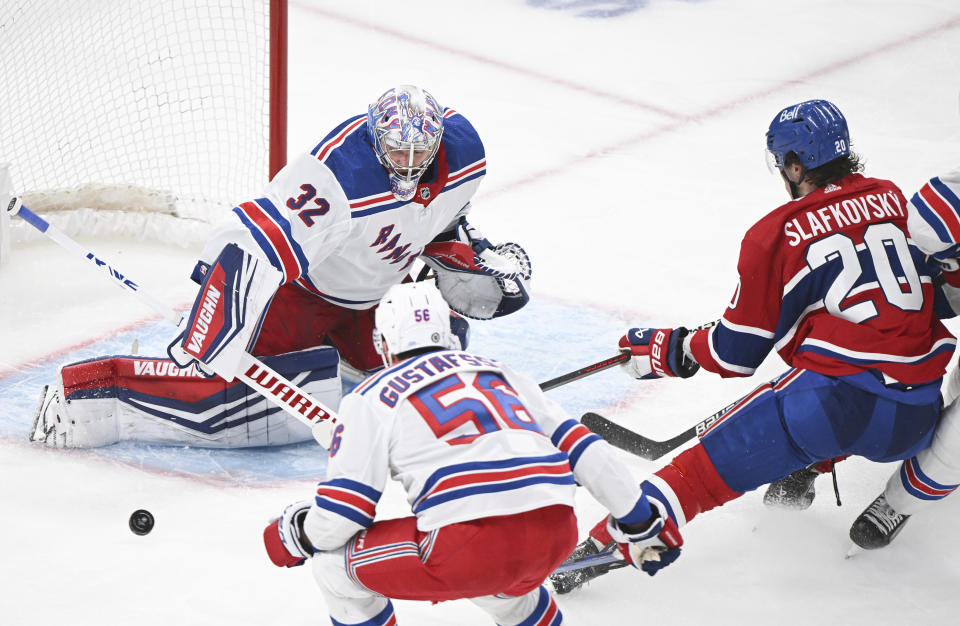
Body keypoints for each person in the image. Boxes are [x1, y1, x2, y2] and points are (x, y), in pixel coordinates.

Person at [550, 99, 957, 593]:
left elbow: (734, 353)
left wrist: (672, 349)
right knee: (846, 376)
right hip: (917, 417)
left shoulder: (776, 234)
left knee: (696, 476)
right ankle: (810, 465)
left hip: (830, 408)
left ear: (794, 164)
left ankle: (594, 553)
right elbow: (932, 298)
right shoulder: (894, 200)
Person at [29, 84, 531, 449]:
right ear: (376, 138)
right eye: (397, 149)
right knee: (232, 405)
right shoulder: (337, 174)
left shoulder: (466, 152)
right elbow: (249, 240)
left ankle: (350, 353)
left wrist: (467, 251)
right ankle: (90, 396)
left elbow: (443, 218)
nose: (408, 161)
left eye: (420, 150)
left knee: (438, 368)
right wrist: (212, 317)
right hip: (303, 299)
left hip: (378, 298)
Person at [261, 281, 680, 625]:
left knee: (334, 568)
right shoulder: (505, 374)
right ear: (449, 333)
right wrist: (640, 521)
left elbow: (344, 513)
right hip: (555, 534)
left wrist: (297, 535)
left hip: (464, 547)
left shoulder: (370, 397)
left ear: (384, 345)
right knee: (508, 588)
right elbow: (585, 450)